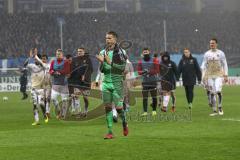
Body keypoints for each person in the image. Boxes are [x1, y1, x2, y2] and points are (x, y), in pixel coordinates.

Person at [96, 31, 128, 139]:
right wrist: (101, 62)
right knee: (108, 108)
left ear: (115, 40)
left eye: (109, 38)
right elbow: (102, 70)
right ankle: (110, 132)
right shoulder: (102, 52)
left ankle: (124, 123)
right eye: (106, 38)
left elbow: (123, 69)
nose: (107, 40)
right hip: (105, 83)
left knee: (119, 109)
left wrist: (110, 63)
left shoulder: (121, 52)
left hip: (116, 84)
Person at [201, 38, 228, 116]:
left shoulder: (221, 53)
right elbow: (204, 65)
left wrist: (225, 75)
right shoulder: (207, 54)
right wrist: (203, 76)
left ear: (216, 44)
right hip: (209, 75)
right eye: (210, 43)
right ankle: (214, 111)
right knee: (212, 93)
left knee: (218, 91)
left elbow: (225, 64)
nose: (211, 45)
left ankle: (220, 108)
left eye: (213, 43)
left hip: (218, 75)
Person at [24, 48, 48, 125]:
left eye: (36, 59)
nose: (35, 61)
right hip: (33, 89)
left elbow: (42, 63)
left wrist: (36, 57)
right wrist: (30, 57)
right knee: (35, 105)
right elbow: (24, 65)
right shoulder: (32, 66)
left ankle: (45, 114)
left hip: (41, 88)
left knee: (41, 103)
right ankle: (36, 120)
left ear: (39, 59)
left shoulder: (44, 66)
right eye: (34, 60)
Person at [69, 48, 93, 116]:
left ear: (84, 52)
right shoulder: (74, 59)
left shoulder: (88, 59)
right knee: (76, 95)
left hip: (86, 82)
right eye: (78, 51)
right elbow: (72, 69)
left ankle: (85, 110)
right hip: (77, 81)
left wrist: (85, 76)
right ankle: (78, 111)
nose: (79, 52)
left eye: (80, 51)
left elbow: (91, 70)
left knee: (85, 98)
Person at [137, 48, 159, 116]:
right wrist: (143, 72)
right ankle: (145, 112)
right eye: (144, 52)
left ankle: (154, 110)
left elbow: (157, 70)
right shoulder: (140, 61)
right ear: (143, 53)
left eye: (146, 51)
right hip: (145, 82)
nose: (145, 53)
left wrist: (149, 72)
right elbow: (139, 71)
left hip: (153, 81)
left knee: (154, 96)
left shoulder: (154, 60)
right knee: (145, 97)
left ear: (149, 52)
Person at [49, 49, 71, 119]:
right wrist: (53, 72)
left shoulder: (66, 62)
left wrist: (59, 72)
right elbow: (50, 70)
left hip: (64, 84)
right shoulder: (53, 62)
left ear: (62, 55)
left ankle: (63, 115)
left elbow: (67, 71)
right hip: (55, 84)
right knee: (53, 98)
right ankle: (59, 111)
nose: (57, 55)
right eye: (57, 54)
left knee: (64, 100)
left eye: (59, 54)